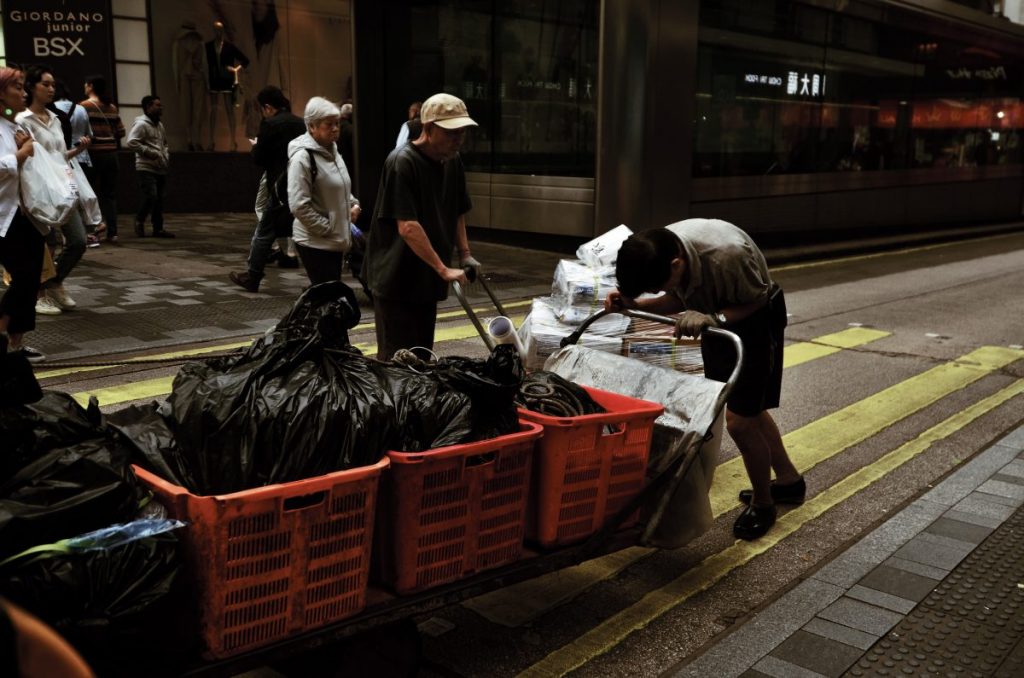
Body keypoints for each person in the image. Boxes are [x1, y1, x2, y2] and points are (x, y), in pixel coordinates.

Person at [606, 218, 803, 541]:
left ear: (676, 263)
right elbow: (679, 298)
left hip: (753, 321)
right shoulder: (663, 249)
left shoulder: (727, 256)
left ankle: (764, 503)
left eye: (661, 286)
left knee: (741, 421)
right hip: (710, 321)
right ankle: (788, 482)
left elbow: (757, 299)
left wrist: (715, 317)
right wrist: (635, 304)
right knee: (745, 409)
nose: (662, 293)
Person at [365, 92, 481, 360]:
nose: (458, 140)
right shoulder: (402, 162)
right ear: (428, 129)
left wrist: (464, 254)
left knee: (422, 356)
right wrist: (443, 268)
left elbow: (457, 209)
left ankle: (417, 402)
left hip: (426, 278)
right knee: (398, 359)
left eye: (462, 132)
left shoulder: (453, 161)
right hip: (396, 276)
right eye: (451, 133)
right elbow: (407, 226)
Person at [17, 66, 101, 316]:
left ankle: (52, 282)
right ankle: (37, 295)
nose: (51, 89)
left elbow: (58, 156)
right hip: (38, 190)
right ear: (32, 87)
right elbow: (28, 159)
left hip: (62, 186)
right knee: (44, 244)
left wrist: (77, 150)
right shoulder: (22, 121)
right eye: (45, 84)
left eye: (53, 84)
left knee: (78, 241)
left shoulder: (54, 119)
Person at [229, 85, 305, 293]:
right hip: (300, 182)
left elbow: (259, 158)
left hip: (279, 184)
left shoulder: (270, 124)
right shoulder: (300, 123)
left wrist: (256, 145)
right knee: (304, 229)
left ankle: (253, 276)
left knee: (264, 231)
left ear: (268, 107)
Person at [286, 96, 360, 286]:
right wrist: (327, 228)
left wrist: (353, 203)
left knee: (326, 297)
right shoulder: (302, 158)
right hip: (315, 242)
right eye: (329, 124)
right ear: (312, 127)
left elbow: (340, 185)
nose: (335, 129)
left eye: (337, 123)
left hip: (335, 239)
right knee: (328, 297)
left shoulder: (333, 151)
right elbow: (298, 205)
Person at [0, 66, 46, 363]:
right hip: (3, 216)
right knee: (25, 276)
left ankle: (15, 342)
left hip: (21, 212)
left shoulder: (12, 125)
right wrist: (20, 154)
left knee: (30, 277)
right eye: (17, 87)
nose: (23, 92)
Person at [80, 75, 125, 244]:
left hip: (93, 154)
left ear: (90, 86)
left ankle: (93, 230)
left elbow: (80, 130)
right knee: (109, 195)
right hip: (111, 155)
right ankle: (112, 233)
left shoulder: (84, 106)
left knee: (89, 193)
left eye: (86, 84)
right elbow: (121, 132)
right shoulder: (111, 108)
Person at [126, 95, 174, 238]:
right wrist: (149, 152)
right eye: (157, 105)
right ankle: (140, 220)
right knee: (151, 196)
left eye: (161, 105)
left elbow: (164, 143)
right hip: (145, 166)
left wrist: (165, 155)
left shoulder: (159, 125)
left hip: (160, 166)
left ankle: (158, 228)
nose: (161, 107)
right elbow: (132, 142)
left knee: (159, 198)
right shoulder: (141, 124)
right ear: (148, 107)